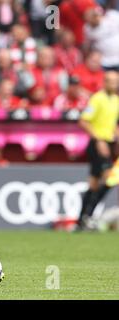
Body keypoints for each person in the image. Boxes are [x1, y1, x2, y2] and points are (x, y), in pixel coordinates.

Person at [76, 71, 119, 230]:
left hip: (108, 143)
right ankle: (89, 216)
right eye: (110, 81)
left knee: (94, 184)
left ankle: (82, 219)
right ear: (104, 82)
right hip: (97, 144)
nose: (113, 84)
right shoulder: (97, 99)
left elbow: (111, 122)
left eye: (115, 81)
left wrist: (116, 135)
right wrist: (99, 140)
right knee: (110, 179)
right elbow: (83, 121)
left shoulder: (115, 100)